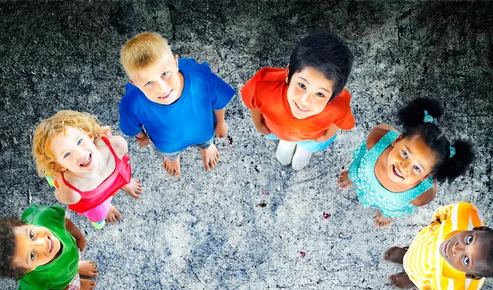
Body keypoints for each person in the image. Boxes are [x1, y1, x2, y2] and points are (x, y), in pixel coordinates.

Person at [338, 97, 474, 227]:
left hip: (389, 204)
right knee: (357, 174)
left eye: (417, 168)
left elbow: (430, 188)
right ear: (397, 140)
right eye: (405, 153)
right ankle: (353, 177)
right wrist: (354, 175)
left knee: (389, 209)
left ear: (427, 176)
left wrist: (388, 212)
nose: (404, 167)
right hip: (364, 177)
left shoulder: (420, 196)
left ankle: (385, 213)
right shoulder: (377, 141)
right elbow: (383, 129)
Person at [119, 31, 235, 177]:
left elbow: (218, 101)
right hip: (169, 143)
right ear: (135, 84)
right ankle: (173, 158)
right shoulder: (132, 102)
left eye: (164, 74)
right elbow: (131, 125)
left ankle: (207, 147)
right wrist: (141, 137)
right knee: (170, 152)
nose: (161, 88)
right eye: (148, 82)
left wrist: (220, 123)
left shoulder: (200, 78)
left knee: (206, 139)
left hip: (204, 130)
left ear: (175, 63)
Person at [241, 30, 354, 170]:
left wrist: (326, 137)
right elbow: (253, 102)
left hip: (310, 139)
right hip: (275, 130)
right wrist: (258, 124)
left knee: (307, 145)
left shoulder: (339, 105)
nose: (305, 100)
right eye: (301, 85)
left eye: (319, 94)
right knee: (282, 137)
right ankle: (287, 141)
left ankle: (304, 148)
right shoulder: (263, 85)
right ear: (288, 74)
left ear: (332, 97)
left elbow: (340, 120)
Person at [384, 202, 493, 290]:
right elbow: (444, 212)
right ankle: (406, 254)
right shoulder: (465, 213)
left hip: (423, 277)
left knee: (418, 277)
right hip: (422, 243)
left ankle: (411, 277)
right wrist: (434, 223)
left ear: (471, 275)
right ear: (479, 228)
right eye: (469, 239)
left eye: (466, 260)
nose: (456, 249)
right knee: (416, 249)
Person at [33, 110, 142, 229]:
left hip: (116, 177)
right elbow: (59, 194)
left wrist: (125, 181)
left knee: (122, 177)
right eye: (67, 154)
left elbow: (122, 165)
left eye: (79, 141)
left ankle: (124, 184)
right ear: (60, 167)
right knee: (99, 214)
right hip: (95, 201)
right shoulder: (71, 192)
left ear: (89, 136)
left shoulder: (117, 145)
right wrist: (60, 180)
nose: (80, 154)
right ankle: (105, 207)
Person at [0, 204, 97, 290]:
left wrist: (79, 238)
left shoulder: (45, 218)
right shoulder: (34, 281)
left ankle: (77, 266)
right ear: (29, 270)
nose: (43, 244)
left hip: (71, 252)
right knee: (71, 283)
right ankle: (77, 282)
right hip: (64, 282)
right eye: (32, 255)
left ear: (26, 224)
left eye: (31, 235)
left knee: (72, 261)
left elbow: (65, 223)